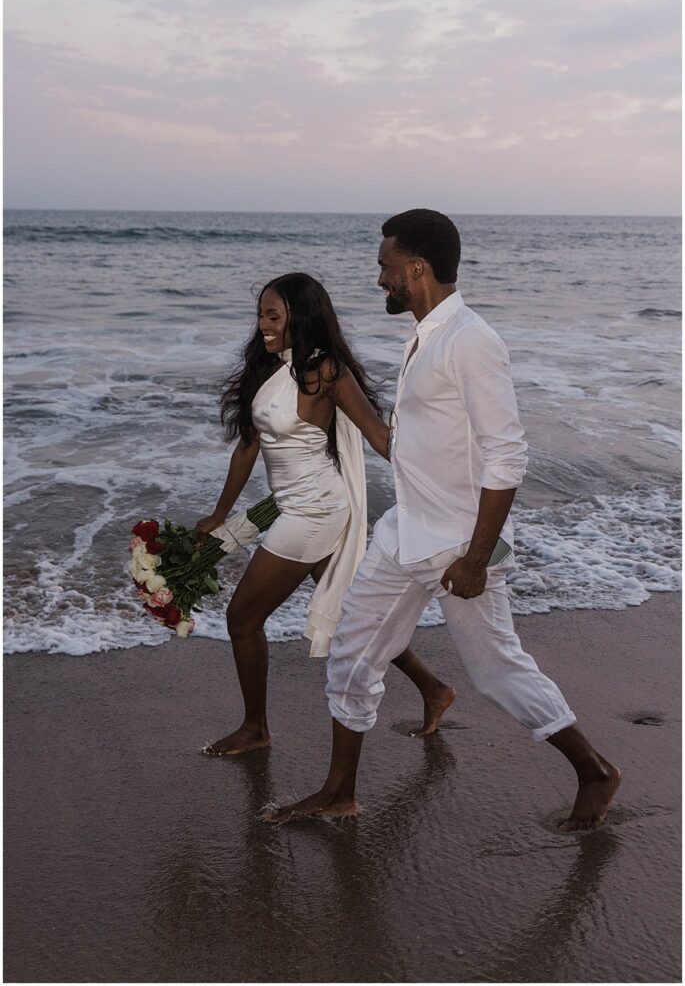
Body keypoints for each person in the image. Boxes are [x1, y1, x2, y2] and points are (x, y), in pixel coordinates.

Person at [265, 212, 621, 830]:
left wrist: (478, 557)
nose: (380, 279)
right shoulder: (426, 336)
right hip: (406, 531)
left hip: (458, 542)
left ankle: (594, 770)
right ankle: (340, 791)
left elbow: (508, 453)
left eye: (385, 267)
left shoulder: (470, 341)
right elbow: (406, 445)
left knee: (496, 671)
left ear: (416, 269)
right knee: (352, 651)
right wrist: (345, 392)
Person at [197, 272, 455, 756]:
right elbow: (248, 448)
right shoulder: (269, 368)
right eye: (260, 315)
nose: (263, 325)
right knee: (354, 613)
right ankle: (434, 689)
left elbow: (382, 440)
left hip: (316, 511)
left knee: (242, 619)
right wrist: (218, 515)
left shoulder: (327, 373)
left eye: (273, 316)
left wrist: (447, 467)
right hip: (289, 506)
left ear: (301, 316)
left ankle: (256, 729)